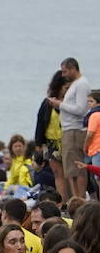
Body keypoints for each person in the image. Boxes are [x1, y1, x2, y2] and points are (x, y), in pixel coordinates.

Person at [54, 58, 91, 202]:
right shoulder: (76, 84)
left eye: (65, 71)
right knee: (70, 169)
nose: (63, 75)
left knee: (77, 168)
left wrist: (60, 104)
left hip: (75, 130)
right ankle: (76, 198)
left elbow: (81, 109)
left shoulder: (81, 85)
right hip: (70, 130)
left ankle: (79, 198)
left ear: (73, 68)